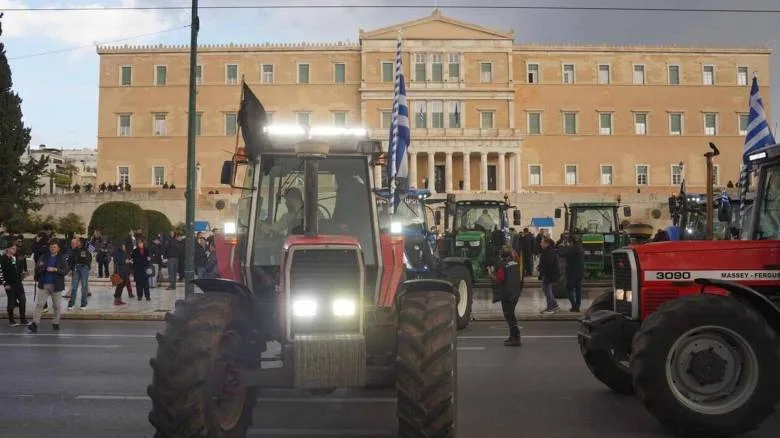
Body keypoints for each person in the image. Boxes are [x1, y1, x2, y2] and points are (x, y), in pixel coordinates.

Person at [30, 240, 69, 333]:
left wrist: (55, 269)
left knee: (56, 306)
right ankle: (34, 323)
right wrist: (43, 267)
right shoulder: (44, 257)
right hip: (44, 284)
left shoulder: (62, 258)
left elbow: (65, 271)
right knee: (39, 305)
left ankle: (56, 322)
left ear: (58, 249)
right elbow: (37, 267)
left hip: (56, 286)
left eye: (55, 247)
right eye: (51, 247)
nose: (53, 249)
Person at [489, 247, 524, 346]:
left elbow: (499, 279)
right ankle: (513, 336)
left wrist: (491, 274)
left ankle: (516, 337)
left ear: (501, 255)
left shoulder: (502, 265)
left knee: (509, 316)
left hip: (507, 294)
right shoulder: (516, 263)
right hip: (515, 292)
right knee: (511, 315)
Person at [0, 243, 29, 327]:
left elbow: (16, 270)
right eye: (13, 248)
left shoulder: (14, 258)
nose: (15, 250)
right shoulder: (2, 259)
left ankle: (23, 320)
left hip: (18, 283)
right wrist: (5, 284)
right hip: (9, 284)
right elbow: (0, 273)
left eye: (15, 248)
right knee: (11, 302)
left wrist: (23, 274)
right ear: (8, 249)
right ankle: (11, 321)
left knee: (23, 300)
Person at [560, 236, 585, 312]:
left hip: (571, 273)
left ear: (571, 242)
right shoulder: (581, 249)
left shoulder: (570, 250)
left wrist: (561, 247)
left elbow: (562, 255)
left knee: (569, 289)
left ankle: (574, 305)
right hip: (580, 272)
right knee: (578, 290)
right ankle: (578, 305)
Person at [67, 237, 92, 310]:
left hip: (84, 268)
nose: (77, 242)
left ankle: (83, 304)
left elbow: (87, 259)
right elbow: (71, 260)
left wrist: (87, 266)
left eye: (78, 241)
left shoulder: (86, 250)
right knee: (74, 287)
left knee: (84, 286)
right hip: (76, 268)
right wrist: (70, 269)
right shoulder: (74, 250)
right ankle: (71, 304)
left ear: (81, 242)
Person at [538, 237, 561, 314]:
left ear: (547, 243)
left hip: (549, 275)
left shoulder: (549, 252)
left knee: (548, 291)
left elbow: (548, 264)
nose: (540, 243)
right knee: (547, 290)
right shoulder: (548, 251)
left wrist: (543, 272)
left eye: (542, 242)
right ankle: (554, 305)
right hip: (549, 274)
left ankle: (550, 308)